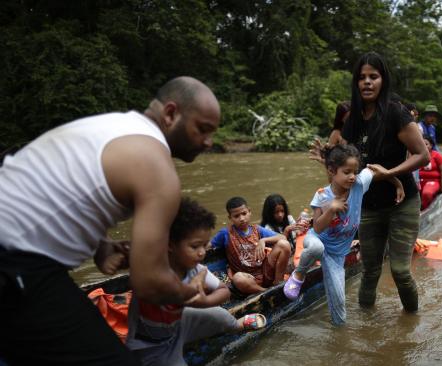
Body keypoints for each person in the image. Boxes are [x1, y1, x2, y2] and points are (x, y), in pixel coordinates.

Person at [0, 76, 221, 365]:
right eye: (202, 129)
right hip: (15, 261)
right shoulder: (157, 166)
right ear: (170, 114)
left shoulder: (112, 126)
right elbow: (149, 284)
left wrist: (100, 244)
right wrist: (190, 292)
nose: (208, 142)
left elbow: (52, 189)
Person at [337, 51, 430, 313]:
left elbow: (423, 156)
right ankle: (365, 333)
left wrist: (390, 175)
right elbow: (344, 163)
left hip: (402, 203)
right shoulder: (352, 119)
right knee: (369, 272)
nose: (367, 82)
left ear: (382, 81)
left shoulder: (395, 113)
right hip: (368, 206)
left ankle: (411, 324)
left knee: (400, 270)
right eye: (362, 77)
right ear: (356, 83)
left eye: (373, 77)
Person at [126, 197, 266, 366]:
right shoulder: (153, 269)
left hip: (180, 322)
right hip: (154, 344)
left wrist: (205, 301)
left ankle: (238, 325)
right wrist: (191, 294)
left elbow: (224, 290)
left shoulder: (195, 268)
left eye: (204, 245)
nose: (202, 253)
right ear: (170, 245)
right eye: (194, 247)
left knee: (221, 315)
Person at [284, 144, 404, 325]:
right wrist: (331, 209)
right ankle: (299, 274)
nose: (352, 176)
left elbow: (376, 169)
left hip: (337, 255)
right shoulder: (322, 196)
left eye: (355, 171)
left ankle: (338, 341)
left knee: (339, 304)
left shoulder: (359, 184)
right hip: (317, 240)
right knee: (316, 247)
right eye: (347, 172)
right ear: (332, 171)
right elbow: (316, 228)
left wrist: (398, 184)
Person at [210, 196, 292, 295]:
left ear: (249, 212)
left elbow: (282, 238)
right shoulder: (225, 233)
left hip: (265, 271)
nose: (242, 219)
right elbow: (208, 245)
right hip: (249, 279)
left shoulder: (257, 229)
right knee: (238, 279)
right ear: (230, 218)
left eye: (244, 214)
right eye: (236, 216)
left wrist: (263, 240)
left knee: (284, 245)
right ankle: (266, 292)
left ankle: (278, 283)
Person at [419, 135, 442, 211]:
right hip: (418, 181)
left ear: (431, 145)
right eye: (421, 144)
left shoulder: (437, 155)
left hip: (432, 181)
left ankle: (424, 211)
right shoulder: (414, 155)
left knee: (427, 193)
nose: (424, 146)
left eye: (426, 144)